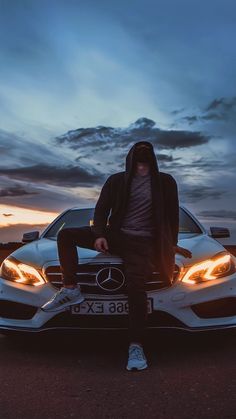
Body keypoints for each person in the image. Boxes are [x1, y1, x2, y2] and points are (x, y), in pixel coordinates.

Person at [41, 141, 192, 371]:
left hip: (143, 242)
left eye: (147, 149)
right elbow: (101, 209)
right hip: (116, 236)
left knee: (136, 288)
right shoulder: (116, 180)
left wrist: (171, 245)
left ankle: (136, 346)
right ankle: (71, 288)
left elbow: (172, 215)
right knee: (66, 236)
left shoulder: (165, 182)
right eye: (138, 150)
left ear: (153, 156)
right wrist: (99, 234)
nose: (143, 154)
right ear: (130, 156)